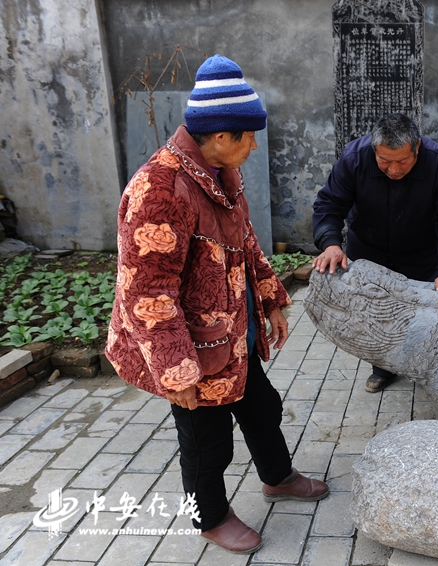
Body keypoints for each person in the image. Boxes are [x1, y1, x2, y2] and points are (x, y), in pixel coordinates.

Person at [105, 54, 328, 554]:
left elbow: (245, 241)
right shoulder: (160, 189)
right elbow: (146, 291)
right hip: (190, 348)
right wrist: (176, 371)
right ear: (222, 136)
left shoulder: (221, 173)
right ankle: (209, 516)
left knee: (263, 408)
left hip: (232, 334)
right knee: (207, 443)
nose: (254, 147)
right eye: (249, 137)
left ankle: (277, 477)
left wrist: (271, 300)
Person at [312, 113, 438, 393]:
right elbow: (329, 204)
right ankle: (382, 368)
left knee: (421, 312)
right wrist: (331, 244)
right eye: (384, 161)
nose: (394, 170)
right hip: (369, 247)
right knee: (375, 314)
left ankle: (424, 367)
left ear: (417, 147)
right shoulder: (354, 158)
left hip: (420, 248)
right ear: (374, 149)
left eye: (402, 161)